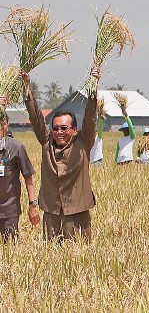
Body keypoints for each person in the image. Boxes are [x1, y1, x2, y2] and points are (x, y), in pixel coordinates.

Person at [22, 67, 101, 241]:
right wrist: (27, 87)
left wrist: (93, 86)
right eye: (55, 128)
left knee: (80, 257)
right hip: (52, 212)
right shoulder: (46, 141)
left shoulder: (83, 142)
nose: (59, 132)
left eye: (64, 128)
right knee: (52, 258)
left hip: (78, 210)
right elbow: (35, 117)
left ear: (74, 129)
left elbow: (90, 116)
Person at [0, 99, 40, 242]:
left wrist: (33, 204)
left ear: (7, 126)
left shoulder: (16, 148)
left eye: (2, 123)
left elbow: (28, 177)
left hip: (9, 211)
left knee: (10, 249)